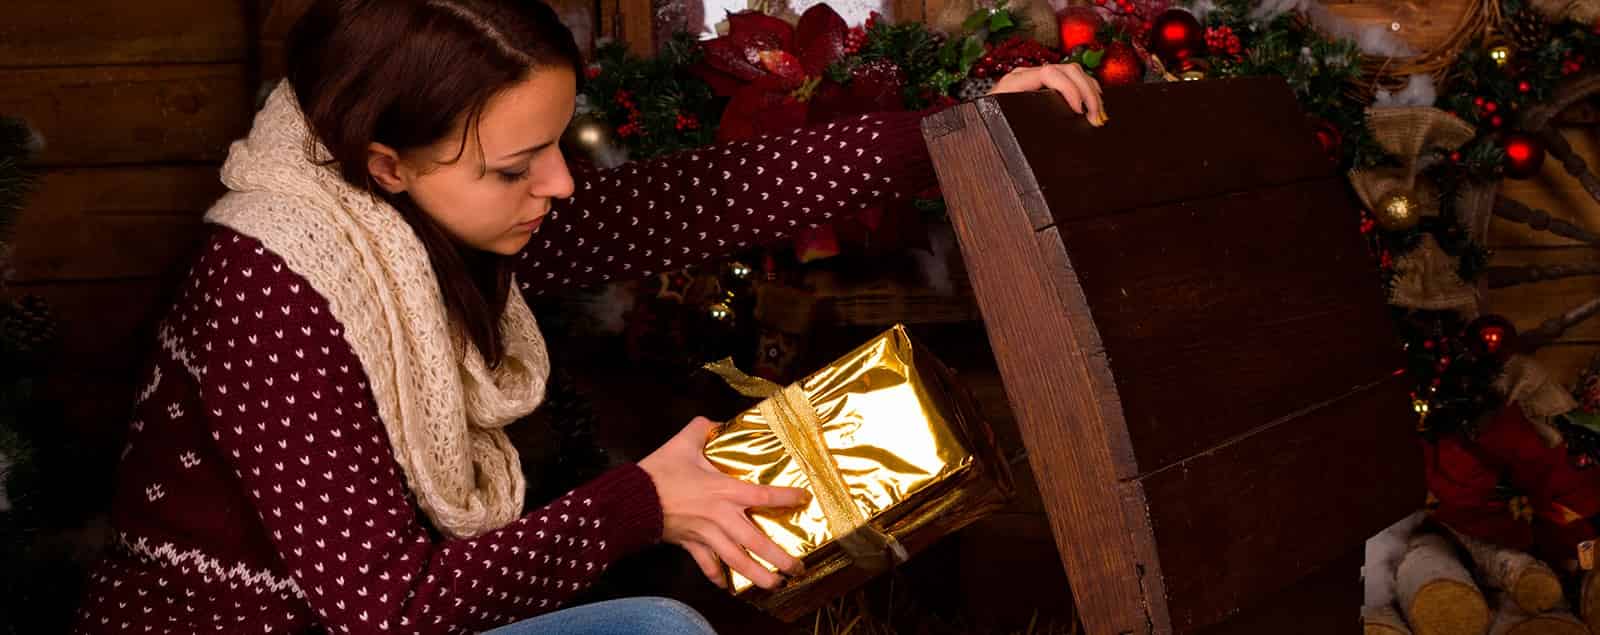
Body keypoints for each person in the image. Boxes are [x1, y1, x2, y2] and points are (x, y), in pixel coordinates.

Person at [71, 1, 1104, 633]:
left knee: (671, 614)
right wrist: (638, 503)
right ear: (383, 162)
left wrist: (951, 132)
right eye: (519, 165)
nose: (562, 184)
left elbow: (690, 201)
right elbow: (387, 610)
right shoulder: (271, 288)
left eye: (560, 142)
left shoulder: (432, 215)